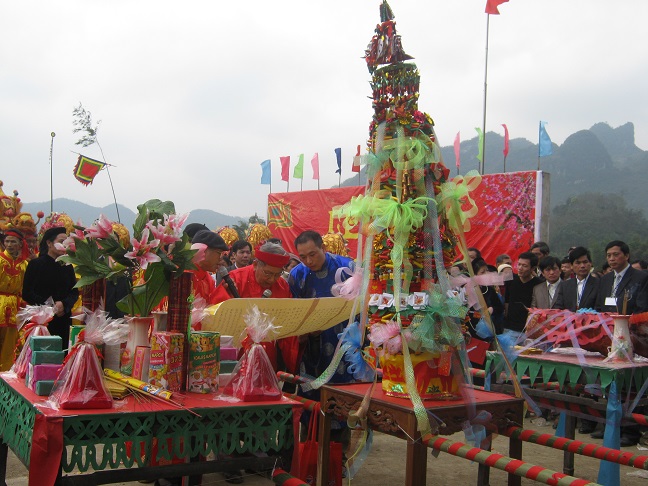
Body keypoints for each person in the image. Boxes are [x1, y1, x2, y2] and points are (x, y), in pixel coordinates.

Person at [594, 240, 648, 446]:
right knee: (610, 383)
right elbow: (600, 306)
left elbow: (642, 308)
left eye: (616, 255)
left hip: (633, 338)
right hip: (608, 337)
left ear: (626, 255)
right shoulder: (606, 279)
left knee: (631, 384)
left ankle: (631, 431)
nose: (612, 259)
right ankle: (609, 426)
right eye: (608, 255)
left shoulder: (641, 278)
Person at [22, 227, 78, 349]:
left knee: (60, 355)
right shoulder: (35, 264)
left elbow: (74, 292)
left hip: (62, 318)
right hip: (41, 320)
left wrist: (64, 304)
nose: (64, 245)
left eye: (66, 242)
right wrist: (50, 306)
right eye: (61, 241)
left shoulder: (67, 266)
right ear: (49, 243)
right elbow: (27, 293)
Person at [0, 229, 30, 370]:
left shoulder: (24, 265)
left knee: (10, 343)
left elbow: (24, 288)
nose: (9, 245)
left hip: (14, 306)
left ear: (20, 245)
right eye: (7, 241)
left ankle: (5, 372)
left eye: (13, 242)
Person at [503, 252, 540, 335]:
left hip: (528, 329)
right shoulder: (511, 280)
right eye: (519, 264)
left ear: (533, 268)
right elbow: (507, 302)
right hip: (510, 328)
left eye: (524, 266)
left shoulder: (538, 284)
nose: (520, 268)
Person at [554, 247, 600, 312]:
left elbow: (599, 308)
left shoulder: (599, 284)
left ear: (590, 263)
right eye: (578, 263)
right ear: (572, 266)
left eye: (585, 262)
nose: (582, 266)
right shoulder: (565, 285)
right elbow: (558, 308)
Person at [190, 230, 229, 305]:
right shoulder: (183, 274)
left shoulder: (209, 279)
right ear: (203, 251)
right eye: (219, 253)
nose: (221, 258)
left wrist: (223, 291)